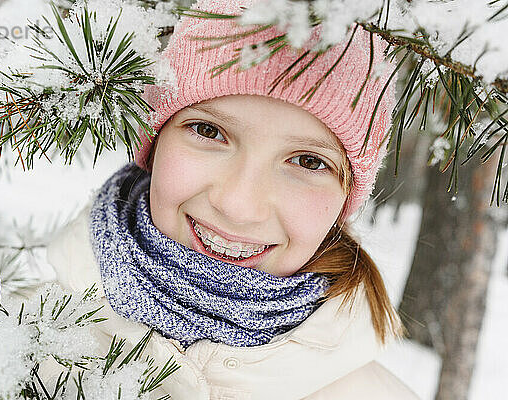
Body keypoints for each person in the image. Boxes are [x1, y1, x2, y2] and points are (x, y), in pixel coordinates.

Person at [43, 0, 420, 398]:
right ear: (154, 145)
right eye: (208, 131)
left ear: (345, 199)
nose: (238, 206)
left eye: (308, 161)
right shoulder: (11, 336)